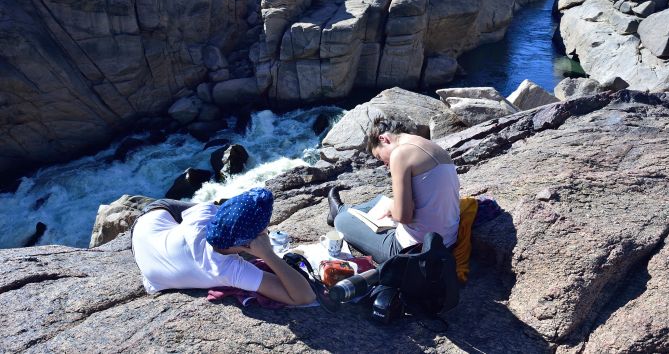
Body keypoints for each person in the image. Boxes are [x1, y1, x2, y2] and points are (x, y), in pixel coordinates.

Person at [131, 187, 316, 306]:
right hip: (152, 222)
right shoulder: (229, 271)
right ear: (249, 242)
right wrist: (268, 254)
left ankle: (235, 215)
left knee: (218, 212)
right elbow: (304, 296)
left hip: (148, 227)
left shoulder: (203, 214)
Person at [329, 117, 460, 263]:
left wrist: (394, 208)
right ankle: (344, 209)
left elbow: (403, 217)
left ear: (383, 139)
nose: (385, 164)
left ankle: (340, 212)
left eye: (380, 157)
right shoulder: (431, 145)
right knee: (381, 200)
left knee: (341, 221)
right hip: (448, 241)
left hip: (414, 251)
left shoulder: (400, 153)